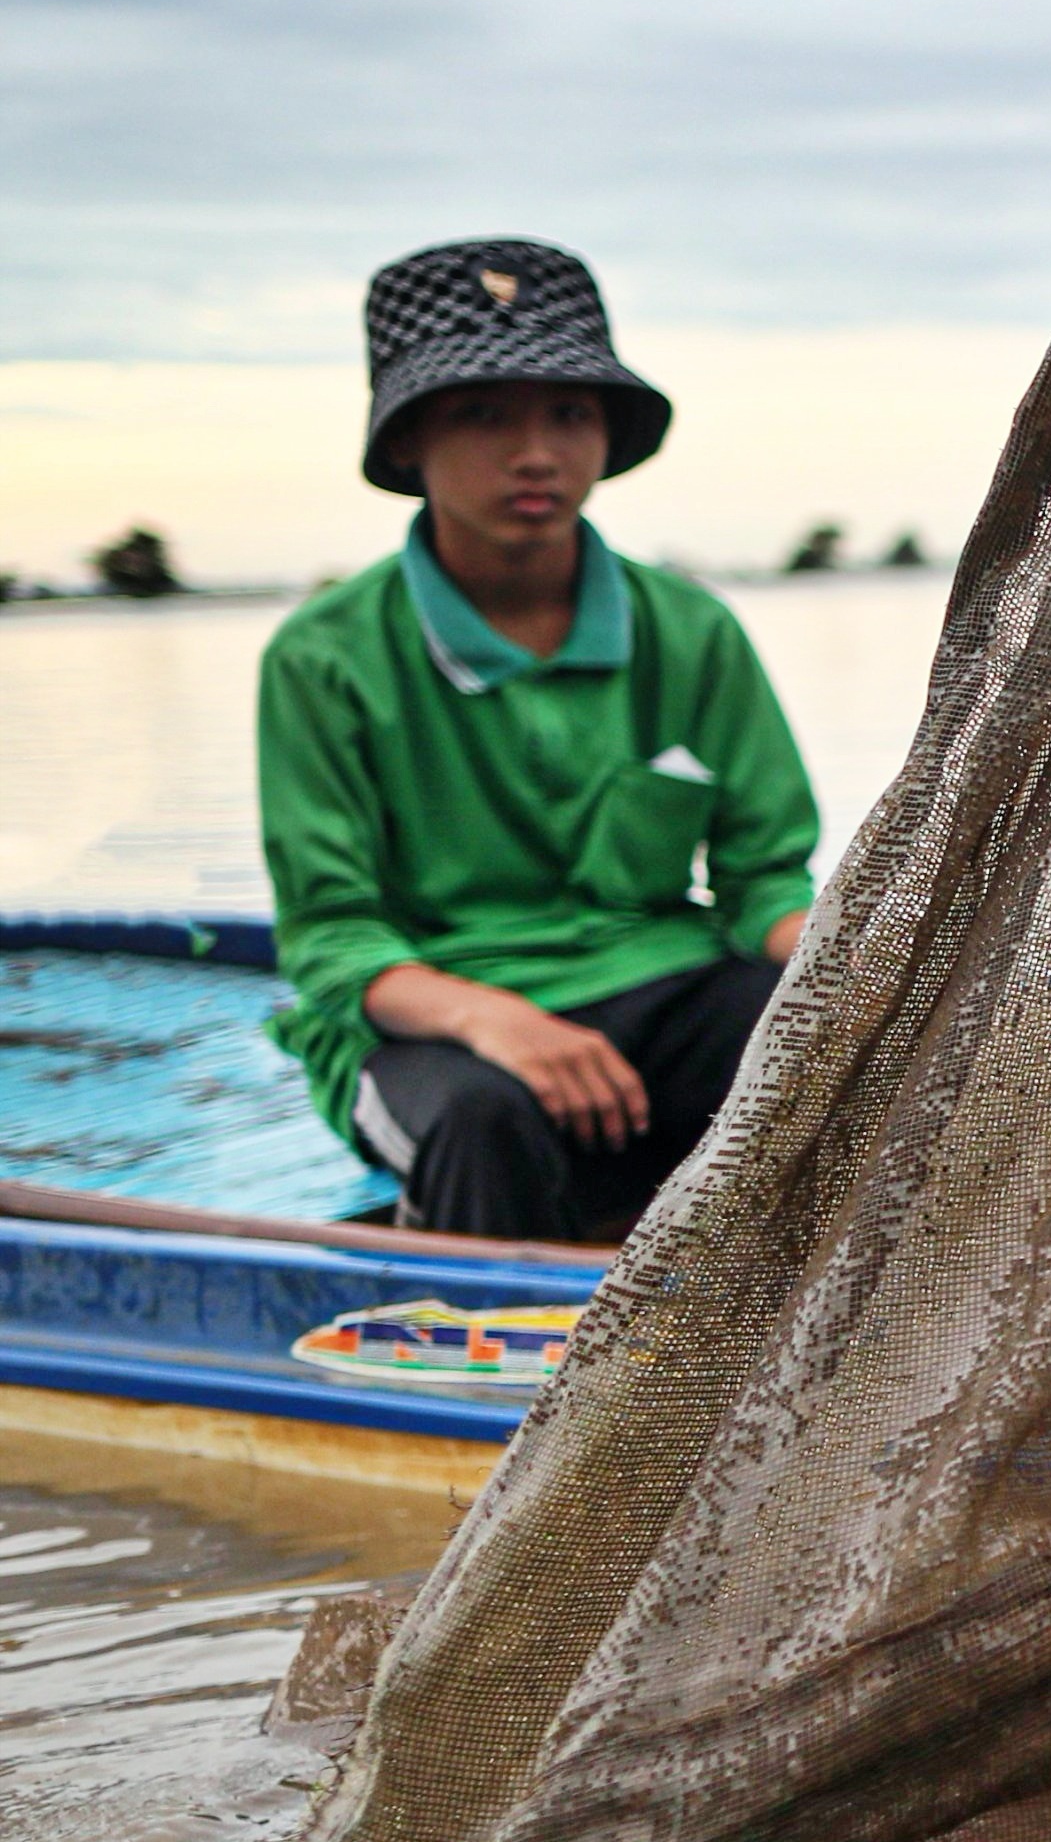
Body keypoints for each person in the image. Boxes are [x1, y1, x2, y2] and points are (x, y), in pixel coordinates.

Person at [257, 239, 820, 1242]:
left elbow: (764, 882)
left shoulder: (690, 630)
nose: (536, 451)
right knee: (483, 1118)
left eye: (569, 412)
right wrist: (495, 1019)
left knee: (820, 1040)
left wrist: (863, 976)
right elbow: (335, 942)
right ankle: (477, 1359)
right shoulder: (324, 655)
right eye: (484, 413)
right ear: (407, 441)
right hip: (433, 1019)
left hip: (654, 982)